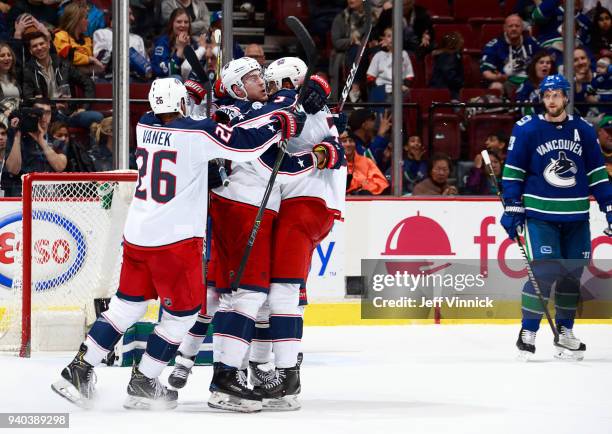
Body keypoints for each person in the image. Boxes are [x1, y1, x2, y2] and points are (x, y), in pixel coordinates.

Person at [50, 77, 305, 410]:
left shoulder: (144, 124)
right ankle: (145, 380)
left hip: (138, 235)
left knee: (126, 307)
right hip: (175, 241)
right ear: (182, 104)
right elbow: (246, 145)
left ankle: (78, 370)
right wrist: (279, 123)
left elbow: (185, 146)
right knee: (181, 315)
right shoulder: (197, 134)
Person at [501, 74, 612, 361]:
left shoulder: (584, 130)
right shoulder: (526, 129)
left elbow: (596, 174)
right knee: (544, 273)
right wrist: (512, 207)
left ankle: (565, 333)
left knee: (571, 277)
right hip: (541, 216)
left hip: (576, 217)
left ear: (565, 97)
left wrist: (609, 205)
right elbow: (513, 172)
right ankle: (528, 333)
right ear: (543, 98)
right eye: (547, 95)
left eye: (557, 94)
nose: (551, 100)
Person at [22, 31, 104, 129]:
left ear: (48, 45)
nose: (39, 48)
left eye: (41, 44)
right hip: (46, 116)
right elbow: (28, 99)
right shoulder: (28, 70)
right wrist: (53, 107)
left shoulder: (63, 64)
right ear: (30, 50)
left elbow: (88, 83)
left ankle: (93, 144)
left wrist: (83, 108)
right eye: (35, 46)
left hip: (69, 114)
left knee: (97, 117)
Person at [4, 99, 68, 187]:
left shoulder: (55, 139)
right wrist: (17, 135)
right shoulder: (16, 136)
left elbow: (60, 166)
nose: (44, 116)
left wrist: (41, 140)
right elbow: (12, 169)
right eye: (39, 112)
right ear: (31, 114)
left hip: (50, 193)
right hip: (23, 191)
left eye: (47, 113)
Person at [481, 14, 540, 96]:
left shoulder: (531, 43)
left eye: (517, 26)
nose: (514, 28)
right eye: (510, 26)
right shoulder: (495, 45)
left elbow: (543, 60)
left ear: (522, 28)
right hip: (506, 82)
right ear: (505, 28)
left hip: (529, 82)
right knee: (496, 86)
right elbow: (486, 72)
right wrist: (498, 77)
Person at [92, 5, 152, 81]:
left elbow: (147, 68)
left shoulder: (137, 39)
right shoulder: (101, 33)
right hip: (112, 79)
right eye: (129, 14)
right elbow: (100, 63)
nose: (132, 18)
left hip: (136, 80)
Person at [53, 2, 105, 75]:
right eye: (86, 18)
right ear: (76, 20)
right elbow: (66, 56)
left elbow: (98, 65)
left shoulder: (88, 40)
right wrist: (89, 59)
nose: (88, 21)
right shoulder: (60, 36)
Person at [366, 26, 414, 104]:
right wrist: (379, 90)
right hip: (382, 90)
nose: (391, 38)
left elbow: (409, 76)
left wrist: (404, 86)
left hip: (399, 90)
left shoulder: (403, 54)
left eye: (394, 36)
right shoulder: (379, 55)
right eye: (388, 36)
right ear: (384, 39)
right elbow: (370, 77)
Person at [152, 7, 197, 78]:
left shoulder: (193, 43)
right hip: (165, 84)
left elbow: (197, 71)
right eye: (179, 22)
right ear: (172, 23)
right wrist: (181, 49)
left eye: (186, 22)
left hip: (188, 83)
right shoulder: (162, 42)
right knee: (177, 78)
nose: (183, 25)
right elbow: (163, 72)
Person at [343, 128, 388, 195]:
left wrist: (364, 187)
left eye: (351, 141)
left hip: (364, 200)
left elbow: (381, 182)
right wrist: (360, 183)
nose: (348, 144)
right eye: (344, 141)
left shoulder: (366, 161)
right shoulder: (334, 164)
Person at [514, 51, 555, 116]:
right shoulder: (526, 84)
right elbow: (519, 107)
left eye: (548, 63)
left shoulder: (557, 85)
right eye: (541, 62)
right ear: (534, 66)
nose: (545, 65)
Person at [429, 32, 464, 100]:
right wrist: (461, 83)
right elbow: (450, 76)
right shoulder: (449, 57)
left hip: (446, 91)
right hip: (447, 93)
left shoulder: (450, 55)